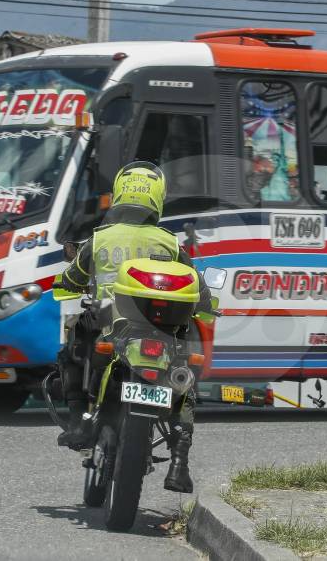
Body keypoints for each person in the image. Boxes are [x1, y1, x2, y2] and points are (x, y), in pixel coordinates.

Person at [53, 161, 211, 494]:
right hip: (161, 333)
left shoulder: (99, 240)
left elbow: (71, 280)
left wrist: (65, 282)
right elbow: (198, 286)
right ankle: (179, 464)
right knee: (184, 381)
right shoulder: (169, 243)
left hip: (111, 328)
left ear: (120, 194)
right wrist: (208, 309)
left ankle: (80, 422)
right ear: (157, 198)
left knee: (71, 350)